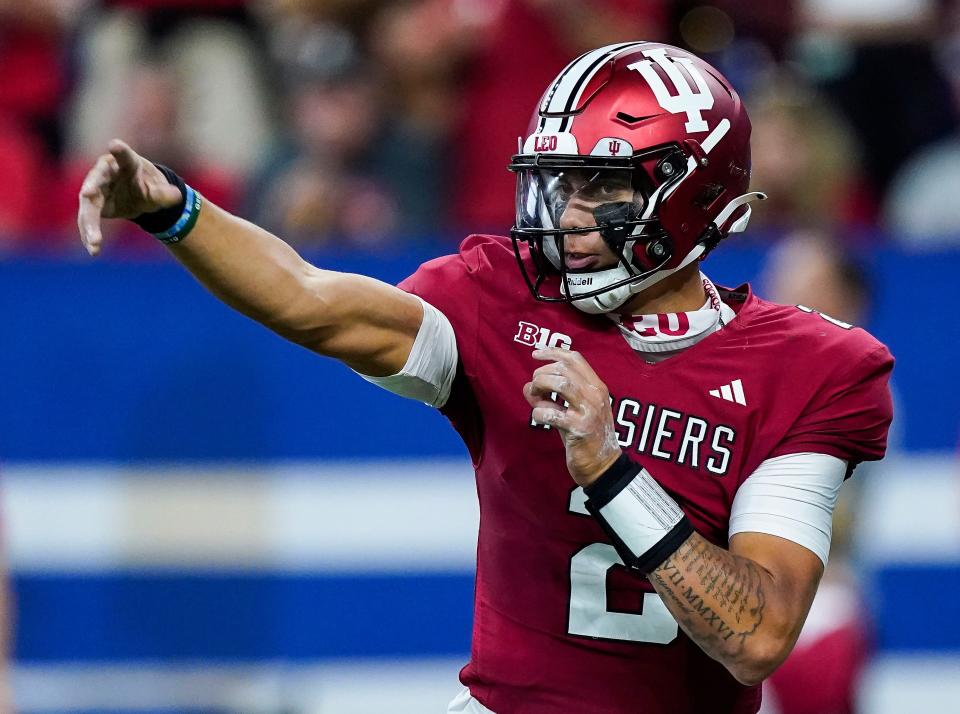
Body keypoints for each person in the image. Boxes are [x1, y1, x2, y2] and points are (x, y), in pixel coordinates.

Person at [76, 42, 893, 714]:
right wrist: (171, 208)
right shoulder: (499, 300)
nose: (570, 214)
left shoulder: (812, 367)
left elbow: (755, 637)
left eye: (603, 185)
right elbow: (310, 298)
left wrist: (611, 468)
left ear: (694, 194)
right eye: (564, 182)